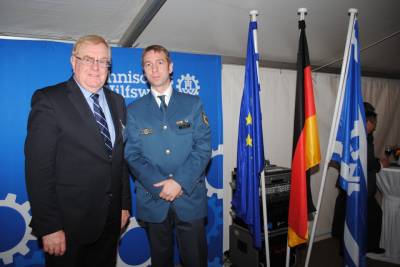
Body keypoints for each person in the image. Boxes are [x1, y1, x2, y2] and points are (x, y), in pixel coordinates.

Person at [25, 35, 131, 267]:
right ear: (74, 61)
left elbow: (119, 159)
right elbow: (38, 170)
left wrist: (124, 205)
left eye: (103, 61)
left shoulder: (117, 102)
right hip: (68, 226)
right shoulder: (49, 100)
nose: (96, 67)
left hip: (110, 222)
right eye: (88, 59)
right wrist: (50, 226)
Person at [124, 45, 211, 267]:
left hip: (189, 198)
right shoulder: (133, 110)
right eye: (148, 64)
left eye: (160, 62)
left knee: (195, 261)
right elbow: (132, 155)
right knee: (160, 262)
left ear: (170, 67)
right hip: (154, 201)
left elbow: (202, 148)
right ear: (143, 71)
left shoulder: (193, 104)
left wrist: (179, 182)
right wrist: (161, 186)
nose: (154, 69)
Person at [332, 102, 387, 255]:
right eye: (373, 123)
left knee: (371, 215)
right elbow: (365, 160)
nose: (374, 127)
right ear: (366, 121)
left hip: (359, 185)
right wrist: (380, 164)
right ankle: (348, 250)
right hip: (353, 184)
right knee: (352, 218)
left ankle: (367, 246)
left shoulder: (365, 134)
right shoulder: (358, 135)